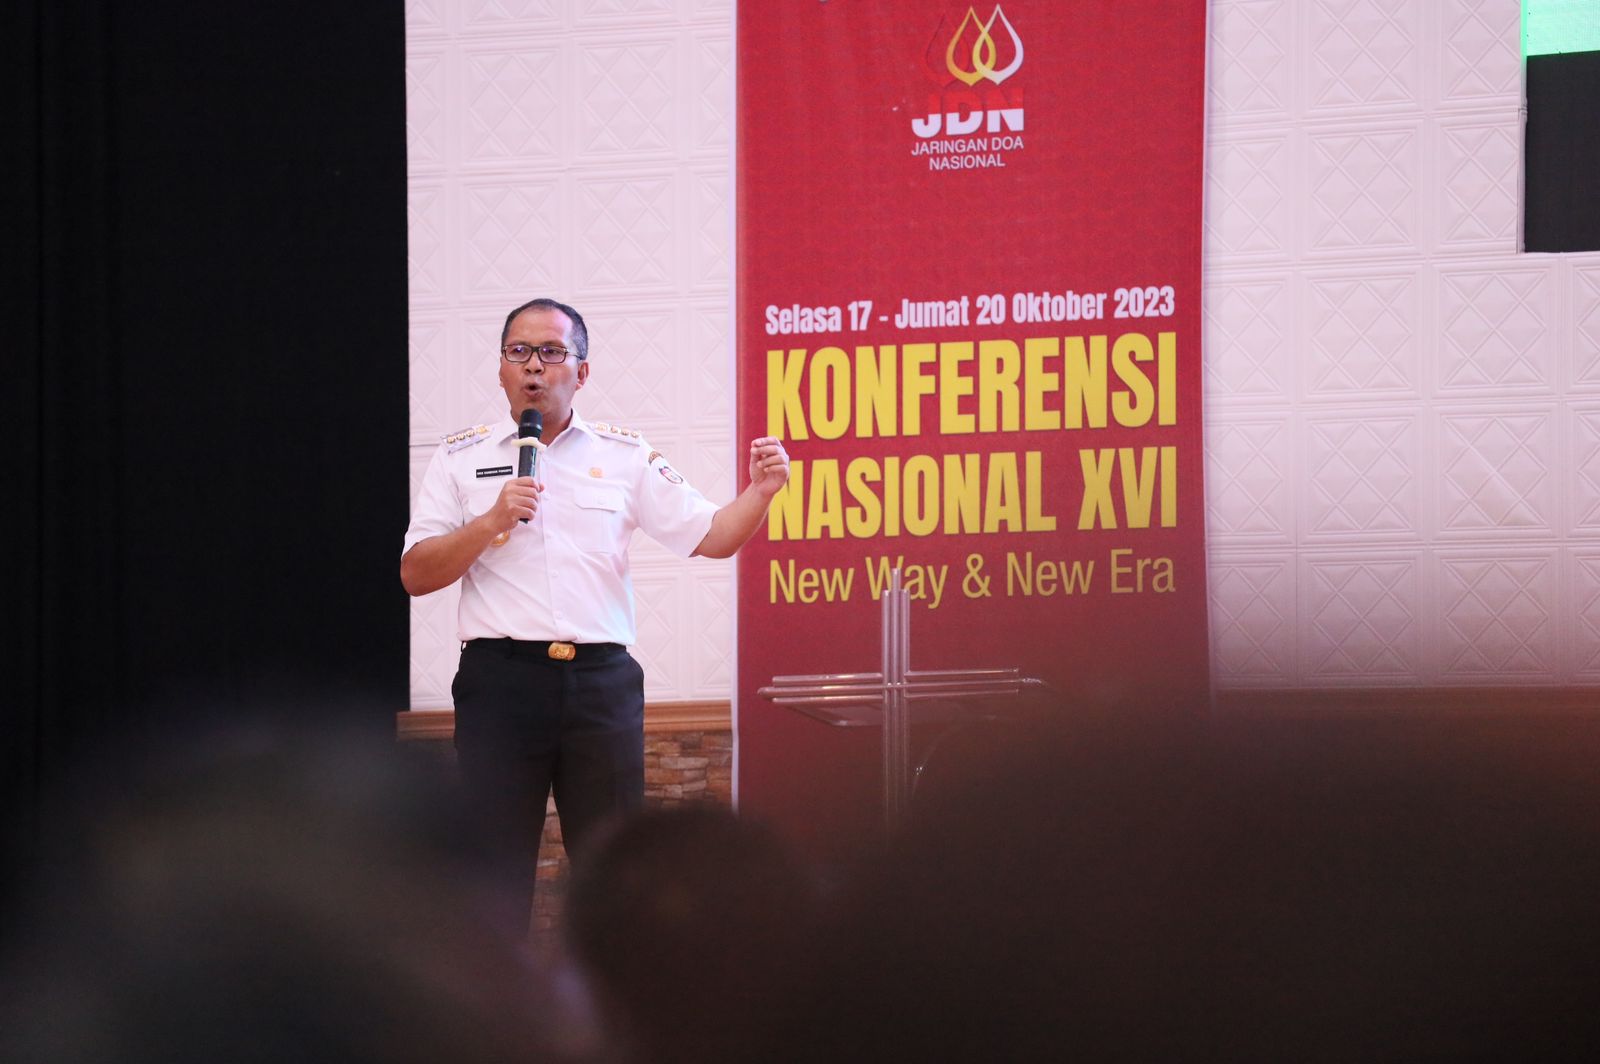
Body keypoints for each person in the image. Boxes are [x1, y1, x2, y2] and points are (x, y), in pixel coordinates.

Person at [400, 297, 788, 936]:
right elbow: (416, 573)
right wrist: (492, 520)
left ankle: (623, 997)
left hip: (600, 685)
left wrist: (761, 492)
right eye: (519, 351)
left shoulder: (625, 455)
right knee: (493, 877)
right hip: (500, 685)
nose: (534, 366)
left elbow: (713, 536)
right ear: (501, 369)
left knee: (619, 875)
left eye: (552, 352)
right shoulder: (459, 458)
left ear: (581, 372)